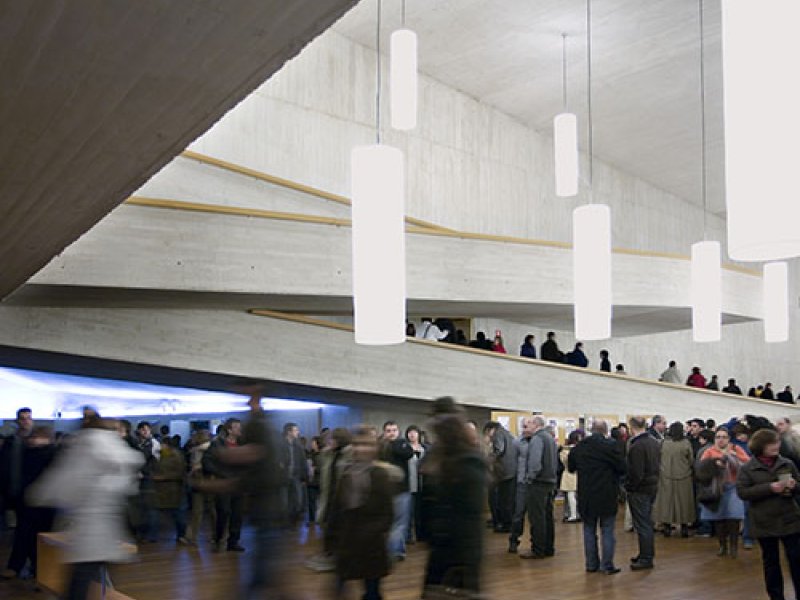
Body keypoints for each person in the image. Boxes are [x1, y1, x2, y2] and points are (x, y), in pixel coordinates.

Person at [27, 415, 143, 600]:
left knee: (80, 578)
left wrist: (39, 495)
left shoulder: (86, 446)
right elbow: (130, 481)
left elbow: (65, 484)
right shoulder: (118, 449)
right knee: (94, 574)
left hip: (86, 524)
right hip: (108, 523)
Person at [420, 400, 487, 597]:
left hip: (459, 553)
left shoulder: (468, 461)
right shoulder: (439, 455)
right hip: (443, 548)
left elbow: (469, 514)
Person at [329, 425, 394, 600]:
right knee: (339, 589)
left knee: (372, 592)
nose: (361, 449)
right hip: (348, 541)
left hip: (371, 544)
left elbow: (387, 513)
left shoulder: (380, 474)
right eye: (357, 444)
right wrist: (331, 538)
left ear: (374, 448)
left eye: (366, 445)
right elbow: (337, 508)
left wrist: (371, 533)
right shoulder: (347, 473)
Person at [736, 428, 800, 600]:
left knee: (796, 560)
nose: (776, 446)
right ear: (761, 446)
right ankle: (776, 596)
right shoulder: (748, 469)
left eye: (777, 442)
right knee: (771, 562)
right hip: (764, 521)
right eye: (772, 444)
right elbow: (743, 492)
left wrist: (794, 486)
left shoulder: (787, 463)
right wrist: (769, 488)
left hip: (789, 519)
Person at [568, 420, 626, 574]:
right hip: (607, 493)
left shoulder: (580, 447)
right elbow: (622, 468)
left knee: (588, 530)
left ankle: (591, 564)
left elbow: (571, 467)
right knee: (607, 530)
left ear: (591, 430)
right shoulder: (611, 447)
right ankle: (607, 565)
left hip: (586, 494)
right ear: (605, 431)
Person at [1, 426, 56, 581]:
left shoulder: (41, 454)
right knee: (27, 535)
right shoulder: (46, 453)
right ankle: (33, 568)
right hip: (34, 501)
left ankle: (27, 567)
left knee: (28, 535)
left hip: (38, 501)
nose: (33, 439)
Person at [696, 427, 749, 558]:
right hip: (716, 489)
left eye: (724, 437)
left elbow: (748, 464)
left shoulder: (736, 449)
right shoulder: (709, 451)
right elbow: (701, 469)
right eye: (718, 437)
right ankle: (722, 546)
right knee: (718, 519)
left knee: (734, 517)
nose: (721, 440)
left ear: (729, 439)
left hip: (733, 487)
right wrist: (714, 464)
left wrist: (734, 459)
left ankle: (734, 547)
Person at [516, 416, 558, 559]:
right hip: (550, 482)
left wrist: (529, 478)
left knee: (537, 517)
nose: (526, 427)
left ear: (535, 424)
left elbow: (535, 463)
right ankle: (548, 548)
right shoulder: (550, 438)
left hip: (538, 483)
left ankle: (538, 549)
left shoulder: (537, 439)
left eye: (528, 424)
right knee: (547, 517)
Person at [626, 416, 661, 570]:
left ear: (631, 427)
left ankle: (646, 557)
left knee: (643, 524)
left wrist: (629, 487)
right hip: (652, 486)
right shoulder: (654, 442)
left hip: (640, 489)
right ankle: (645, 554)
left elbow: (636, 472)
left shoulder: (637, 446)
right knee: (645, 522)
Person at [653, 422, 696, 538]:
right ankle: (684, 527)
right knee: (684, 502)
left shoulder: (663, 443)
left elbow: (658, 459)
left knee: (666, 502)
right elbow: (691, 460)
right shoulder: (686, 443)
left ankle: (666, 527)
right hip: (684, 476)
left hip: (665, 476)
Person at [379, 420, 414, 561]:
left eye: (394, 430)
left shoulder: (401, 444)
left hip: (402, 490)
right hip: (386, 491)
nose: (391, 433)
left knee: (400, 523)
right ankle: (391, 550)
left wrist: (393, 444)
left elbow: (409, 453)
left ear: (398, 432)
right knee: (391, 522)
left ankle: (396, 550)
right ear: (384, 432)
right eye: (388, 431)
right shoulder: (381, 447)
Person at [0, 408, 34, 532]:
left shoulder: (35, 441)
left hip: (29, 491)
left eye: (28, 418)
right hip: (11, 490)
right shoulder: (10, 441)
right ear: (17, 421)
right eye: (22, 419)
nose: (26, 422)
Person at [153, 436, 189, 544]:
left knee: (178, 514)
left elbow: (180, 473)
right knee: (177, 514)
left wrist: (162, 477)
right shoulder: (163, 455)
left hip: (174, 489)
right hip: (167, 489)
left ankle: (182, 534)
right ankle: (181, 535)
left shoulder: (175, 456)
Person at [484, 421, 517, 533]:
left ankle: (506, 525)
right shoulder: (508, 433)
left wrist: (488, 459)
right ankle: (507, 523)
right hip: (511, 471)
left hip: (504, 472)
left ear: (490, 429)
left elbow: (499, 449)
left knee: (503, 501)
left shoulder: (498, 433)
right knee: (508, 500)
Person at [281, 422, 307, 527]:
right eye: (295, 430)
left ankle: (293, 522)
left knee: (298, 501)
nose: (298, 432)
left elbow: (303, 461)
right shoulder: (280, 445)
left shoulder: (298, 446)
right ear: (289, 432)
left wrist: (304, 477)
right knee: (284, 502)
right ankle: (285, 523)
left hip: (296, 476)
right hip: (283, 477)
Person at [405, 425, 428, 543]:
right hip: (410, 484)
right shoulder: (405, 449)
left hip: (423, 484)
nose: (412, 434)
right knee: (409, 512)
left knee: (421, 512)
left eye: (414, 432)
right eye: (410, 432)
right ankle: (409, 536)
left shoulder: (425, 449)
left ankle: (421, 535)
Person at [559, 431, 582, 523]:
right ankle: (575, 514)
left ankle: (571, 514)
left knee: (570, 495)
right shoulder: (580, 450)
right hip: (576, 474)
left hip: (568, 474)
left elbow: (563, 462)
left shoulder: (564, 451)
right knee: (574, 495)